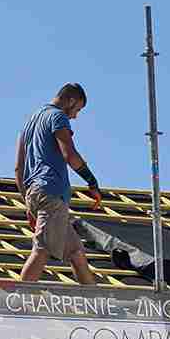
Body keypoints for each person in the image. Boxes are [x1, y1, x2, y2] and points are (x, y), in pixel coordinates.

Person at [14, 82, 102, 285]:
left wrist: (28, 202)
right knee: (42, 250)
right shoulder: (57, 117)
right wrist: (92, 182)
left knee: (76, 252)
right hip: (51, 193)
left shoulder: (29, 124)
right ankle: (17, 303)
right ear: (70, 100)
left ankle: (95, 306)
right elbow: (69, 154)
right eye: (77, 109)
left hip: (36, 194)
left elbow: (18, 169)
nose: (75, 116)